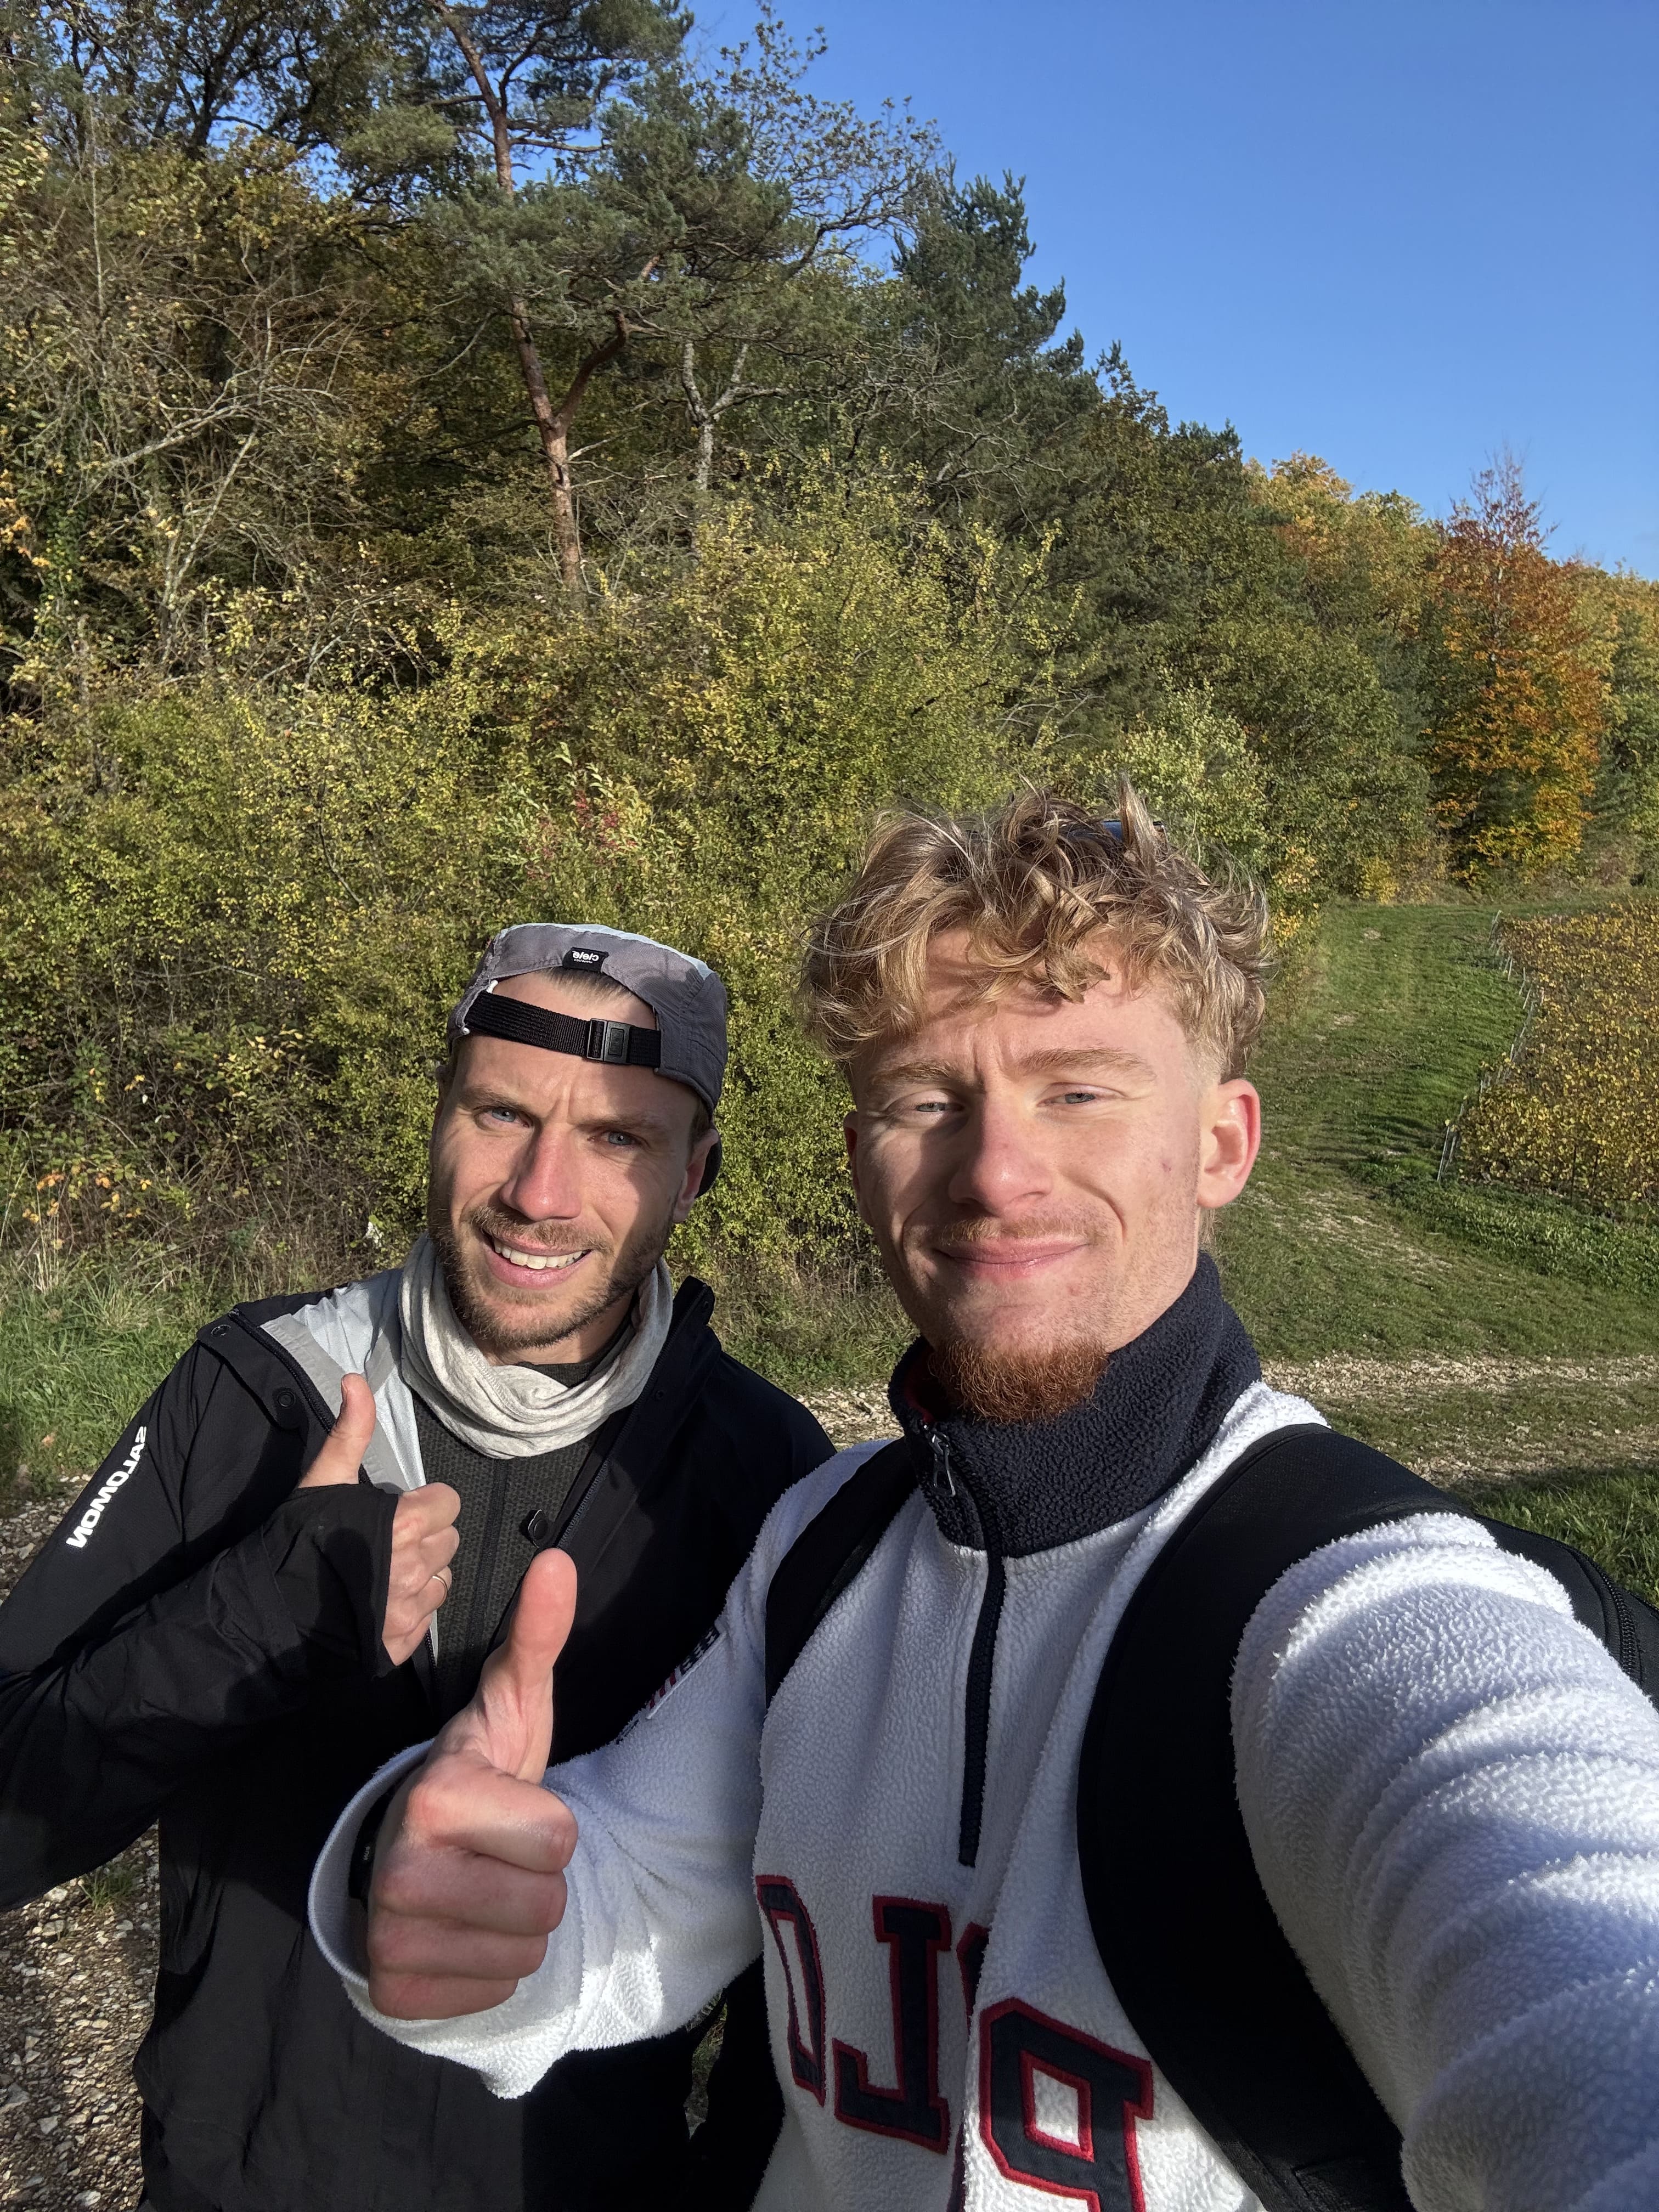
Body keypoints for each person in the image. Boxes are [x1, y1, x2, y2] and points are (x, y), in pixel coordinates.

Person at [312, 794, 1659, 2211]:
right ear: (860, 1162)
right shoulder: (824, 1544)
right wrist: (454, 1906)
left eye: (1079, 1091)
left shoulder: (1356, 1602)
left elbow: (1583, 1957)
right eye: (926, 1102)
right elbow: (629, 1899)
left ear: (1223, 1143)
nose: (997, 1175)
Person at [0, 923, 832, 2212]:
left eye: (618, 1138)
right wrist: (256, 1611)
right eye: (503, 1113)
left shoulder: (768, 1473)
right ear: (440, 1116)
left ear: (695, 1173)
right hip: (241, 2180)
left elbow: (805, 1938)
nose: (541, 1192)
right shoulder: (255, 1392)